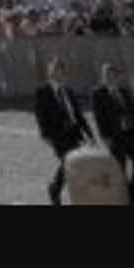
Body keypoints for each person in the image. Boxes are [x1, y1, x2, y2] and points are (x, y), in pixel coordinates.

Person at [33, 57, 95, 205]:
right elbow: (40, 114)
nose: (59, 73)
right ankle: (59, 189)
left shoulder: (68, 91)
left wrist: (90, 134)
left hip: (74, 133)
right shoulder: (43, 91)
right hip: (58, 135)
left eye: (61, 70)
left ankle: (55, 187)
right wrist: (45, 134)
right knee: (68, 161)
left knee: (74, 164)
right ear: (50, 72)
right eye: (55, 69)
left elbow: (78, 115)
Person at [91, 61, 134, 204]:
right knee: (120, 170)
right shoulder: (98, 93)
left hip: (131, 135)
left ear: (116, 76)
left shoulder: (124, 92)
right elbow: (98, 117)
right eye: (106, 75)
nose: (108, 78)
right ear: (103, 77)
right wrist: (105, 137)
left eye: (111, 75)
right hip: (114, 137)